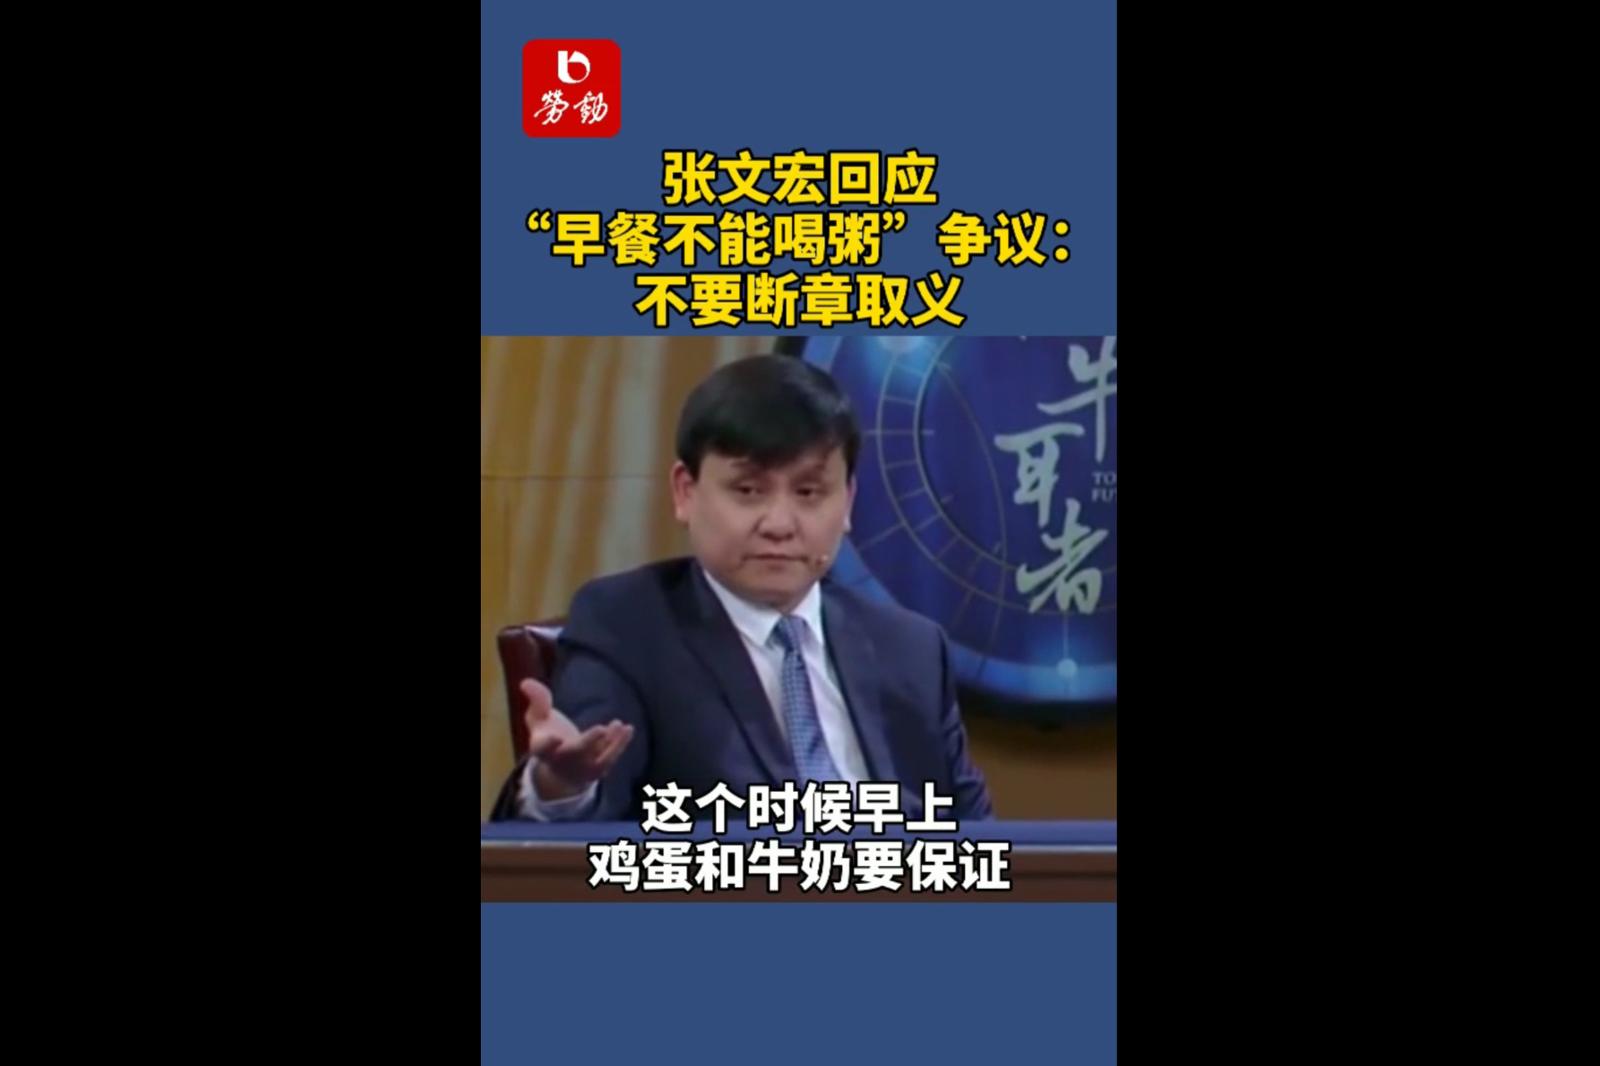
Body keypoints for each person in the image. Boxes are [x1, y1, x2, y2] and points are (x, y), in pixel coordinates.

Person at [488, 354, 992, 822]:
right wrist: (562, 786)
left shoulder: (910, 648)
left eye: (809, 492)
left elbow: (982, 842)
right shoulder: (627, 626)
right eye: (748, 491)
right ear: (685, 492)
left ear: (848, 501)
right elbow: (578, 839)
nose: (779, 524)